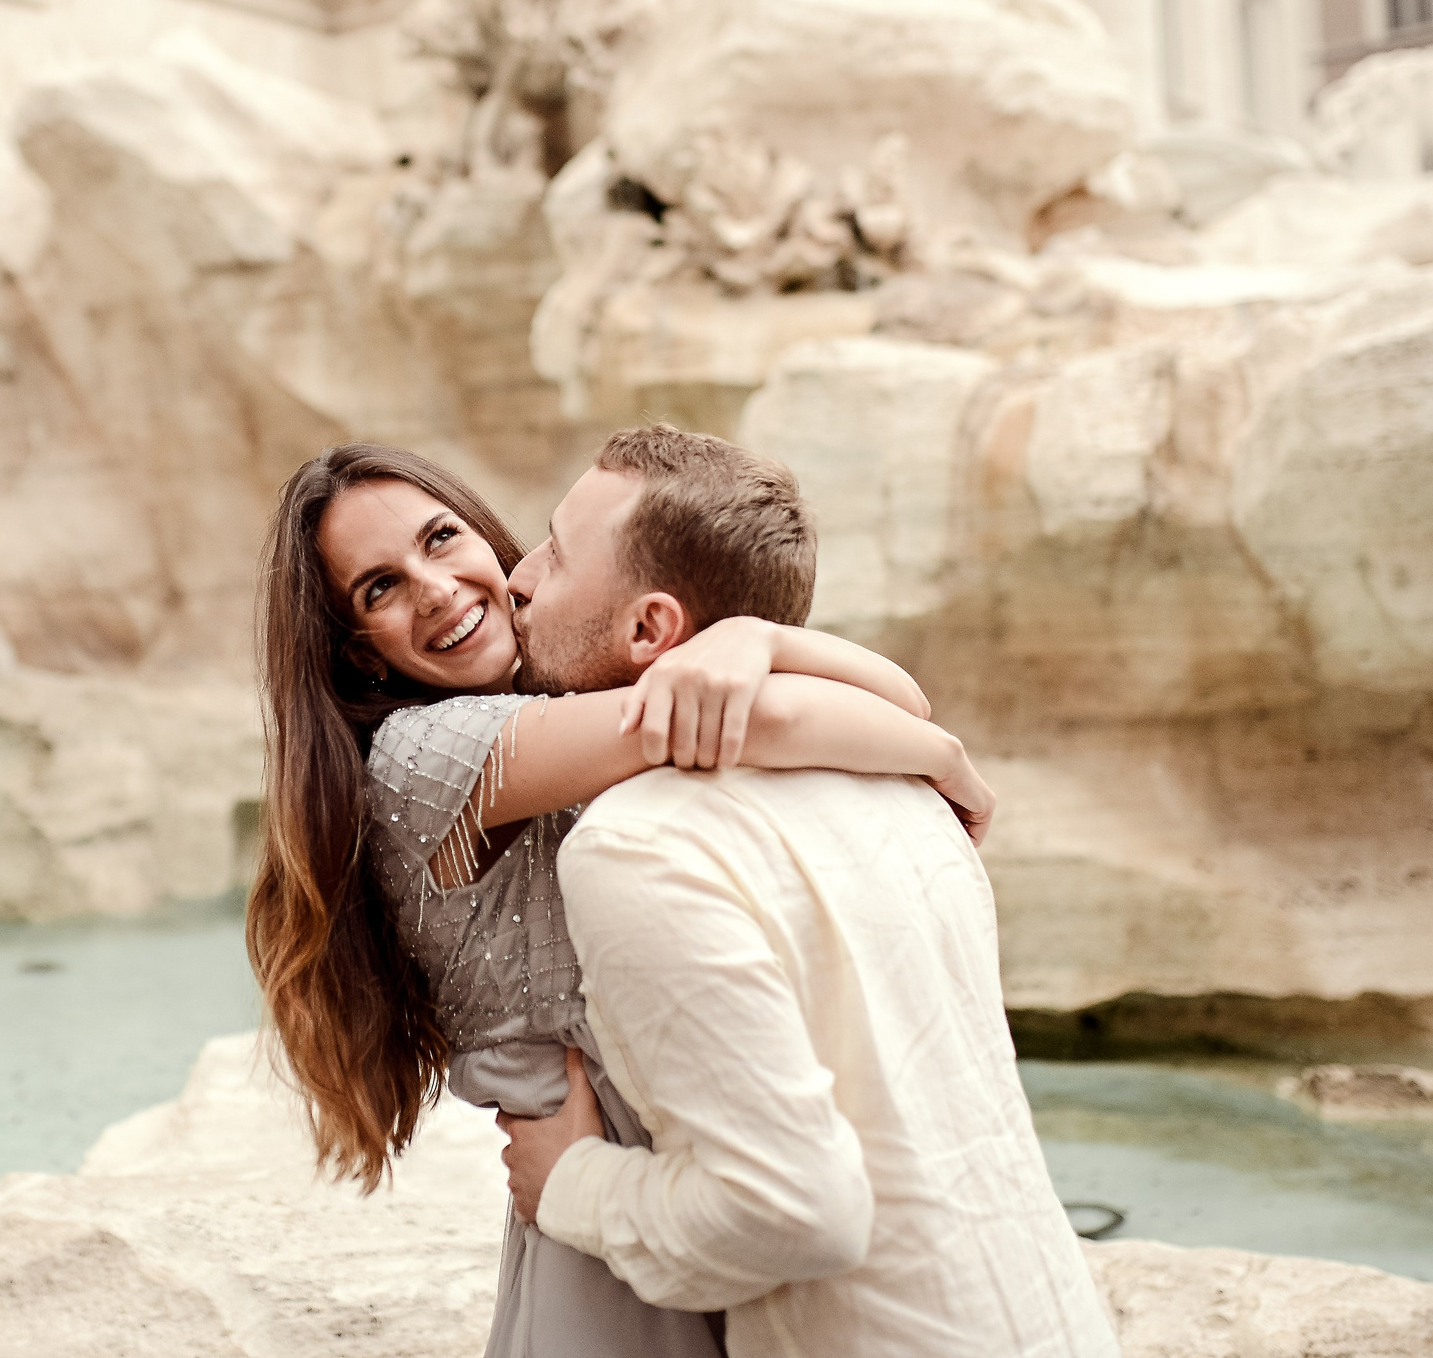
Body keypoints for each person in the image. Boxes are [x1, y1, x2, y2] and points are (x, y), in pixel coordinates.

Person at [246, 440, 992, 1358]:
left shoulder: (565, 697)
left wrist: (755, 637)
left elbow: (858, 692)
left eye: (441, 538)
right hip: (603, 1218)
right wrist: (938, 754)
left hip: (682, 1173)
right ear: (358, 652)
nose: (434, 587)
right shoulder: (419, 758)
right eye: (379, 589)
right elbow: (786, 713)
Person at [497, 425, 1120, 1355]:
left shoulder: (640, 844)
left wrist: (572, 1182)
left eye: (555, 548)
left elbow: (794, 1210)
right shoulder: (905, 785)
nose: (519, 575)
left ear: (651, 630)